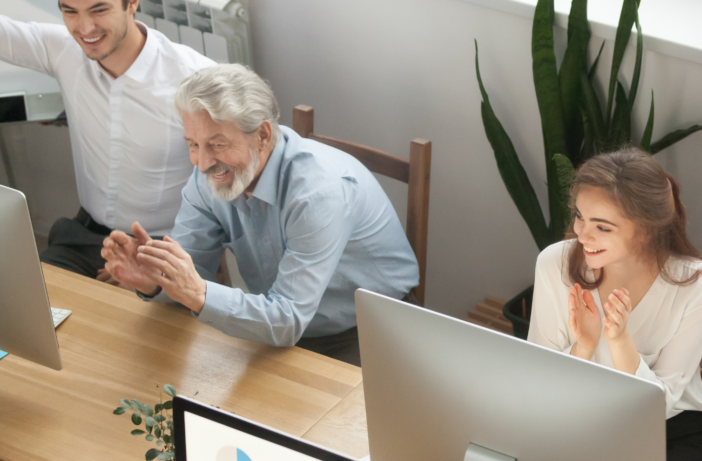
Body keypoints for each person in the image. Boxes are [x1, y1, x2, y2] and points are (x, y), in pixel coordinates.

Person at [100, 64, 419, 366]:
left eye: (218, 144)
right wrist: (156, 281)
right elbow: (192, 275)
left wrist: (197, 293)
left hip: (369, 328)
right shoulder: (209, 177)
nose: (202, 162)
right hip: (278, 322)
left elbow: (287, 320)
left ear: (263, 135)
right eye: (193, 144)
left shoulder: (317, 194)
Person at [528, 148, 702, 460]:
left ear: (647, 230)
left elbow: (660, 404)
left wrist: (620, 340)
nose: (583, 235)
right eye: (580, 217)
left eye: (603, 227)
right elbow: (540, 388)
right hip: (578, 421)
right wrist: (583, 346)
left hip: (669, 431)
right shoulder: (553, 264)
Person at [0, 0, 214, 278]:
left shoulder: (196, 79)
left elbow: (230, 195)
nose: (85, 28)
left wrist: (152, 268)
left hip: (165, 247)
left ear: (132, 3)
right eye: (70, 11)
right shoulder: (64, 48)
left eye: (99, 9)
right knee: (28, 310)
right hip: (83, 238)